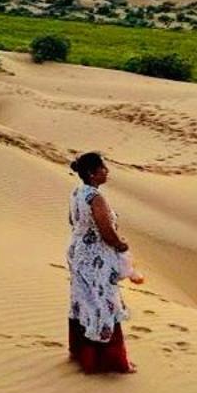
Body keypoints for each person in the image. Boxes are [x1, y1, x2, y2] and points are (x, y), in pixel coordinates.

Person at [67, 151, 144, 375]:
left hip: (78, 251)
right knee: (103, 303)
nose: (106, 172)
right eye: (103, 168)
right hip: (95, 258)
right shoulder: (96, 198)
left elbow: (72, 221)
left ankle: (82, 354)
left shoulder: (77, 193)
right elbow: (106, 231)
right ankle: (110, 361)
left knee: (83, 301)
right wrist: (121, 246)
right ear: (92, 173)